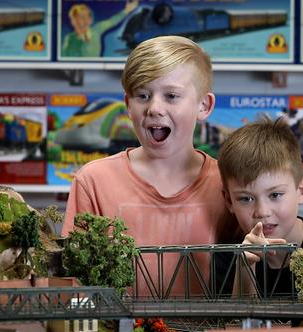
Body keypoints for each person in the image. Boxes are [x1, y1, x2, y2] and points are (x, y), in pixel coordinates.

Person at [62, 35, 230, 296]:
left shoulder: (228, 183)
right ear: (128, 105)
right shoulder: (93, 182)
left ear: (203, 105)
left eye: (172, 96)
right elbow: (75, 278)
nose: (154, 108)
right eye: (143, 95)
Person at [215, 117, 303, 297]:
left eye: (275, 195)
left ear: (301, 190)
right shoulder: (224, 256)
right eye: (246, 199)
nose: (262, 212)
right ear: (229, 202)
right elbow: (234, 325)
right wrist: (245, 267)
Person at [62, 1, 138, 58]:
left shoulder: (97, 29)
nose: (82, 21)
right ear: (73, 21)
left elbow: (112, 21)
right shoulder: (70, 38)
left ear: (90, 19)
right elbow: (65, 56)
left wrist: (127, 10)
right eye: (79, 18)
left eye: (85, 17)